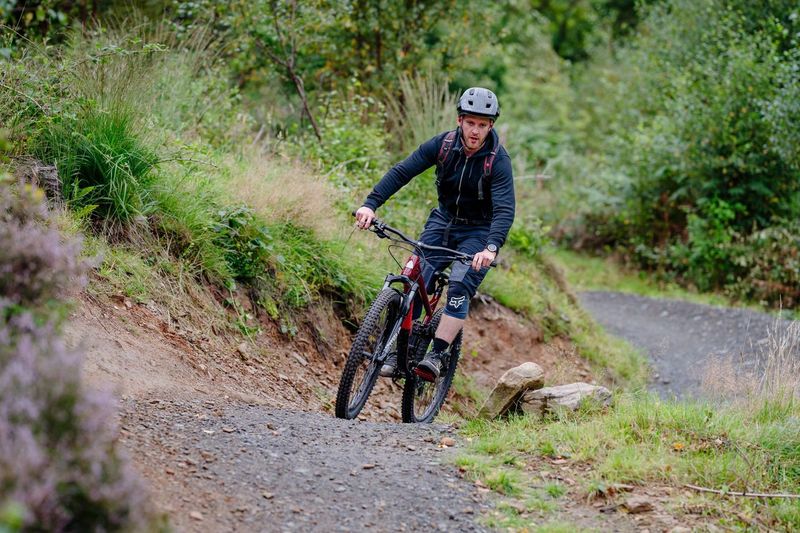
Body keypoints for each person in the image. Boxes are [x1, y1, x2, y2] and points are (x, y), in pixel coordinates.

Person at [355, 87, 515, 382]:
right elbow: (403, 171)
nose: (475, 131)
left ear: (490, 125)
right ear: (460, 120)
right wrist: (370, 204)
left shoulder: (498, 160)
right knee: (416, 278)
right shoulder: (443, 145)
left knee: (458, 286)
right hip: (443, 222)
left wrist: (490, 248)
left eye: (482, 124)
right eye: (470, 123)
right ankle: (394, 349)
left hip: (478, 231)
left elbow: (504, 210)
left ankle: (437, 354)